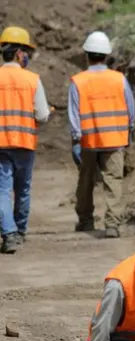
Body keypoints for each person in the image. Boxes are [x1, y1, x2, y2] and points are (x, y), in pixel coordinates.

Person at [68, 31, 135, 239]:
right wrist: (129, 130)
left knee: (86, 181)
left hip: (88, 140)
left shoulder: (78, 81)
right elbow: (130, 108)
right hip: (115, 139)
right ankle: (112, 224)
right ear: (106, 55)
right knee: (113, 180)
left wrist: (76, 138)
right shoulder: (119, 79)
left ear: (87, 54)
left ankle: (86, 220)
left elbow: (74, 112)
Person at [0, 26, 50, 254]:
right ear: (19, 53)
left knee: (2, 190)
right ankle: (19, 231)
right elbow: (41, 115)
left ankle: (8, 235)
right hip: (24, 143)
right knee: (23, 190)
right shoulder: (32, 80)